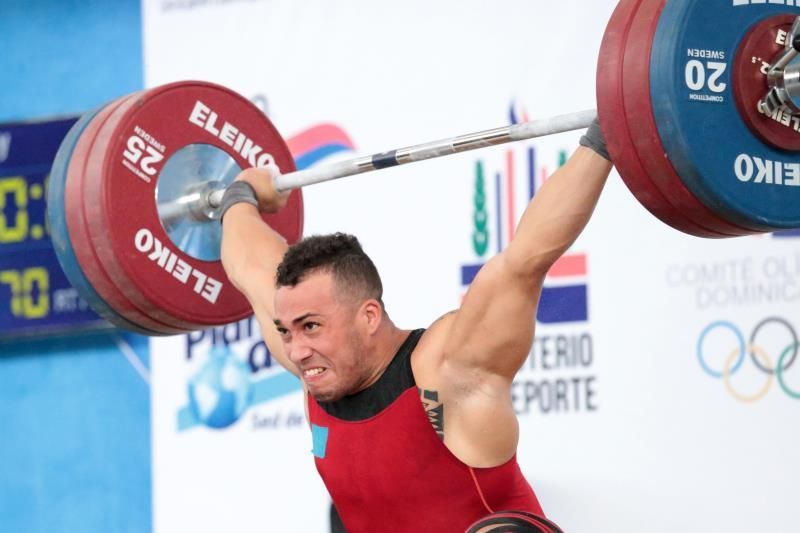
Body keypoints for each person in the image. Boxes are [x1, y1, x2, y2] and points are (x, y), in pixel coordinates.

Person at [219, 120, 612, 532]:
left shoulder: (446, 370)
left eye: (312, 327)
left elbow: (524, 262)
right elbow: (248, 263)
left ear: (369, 316)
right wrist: (239, 197)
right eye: (286, 331)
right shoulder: (315, 364)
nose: (295, 349)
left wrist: (610, 132)